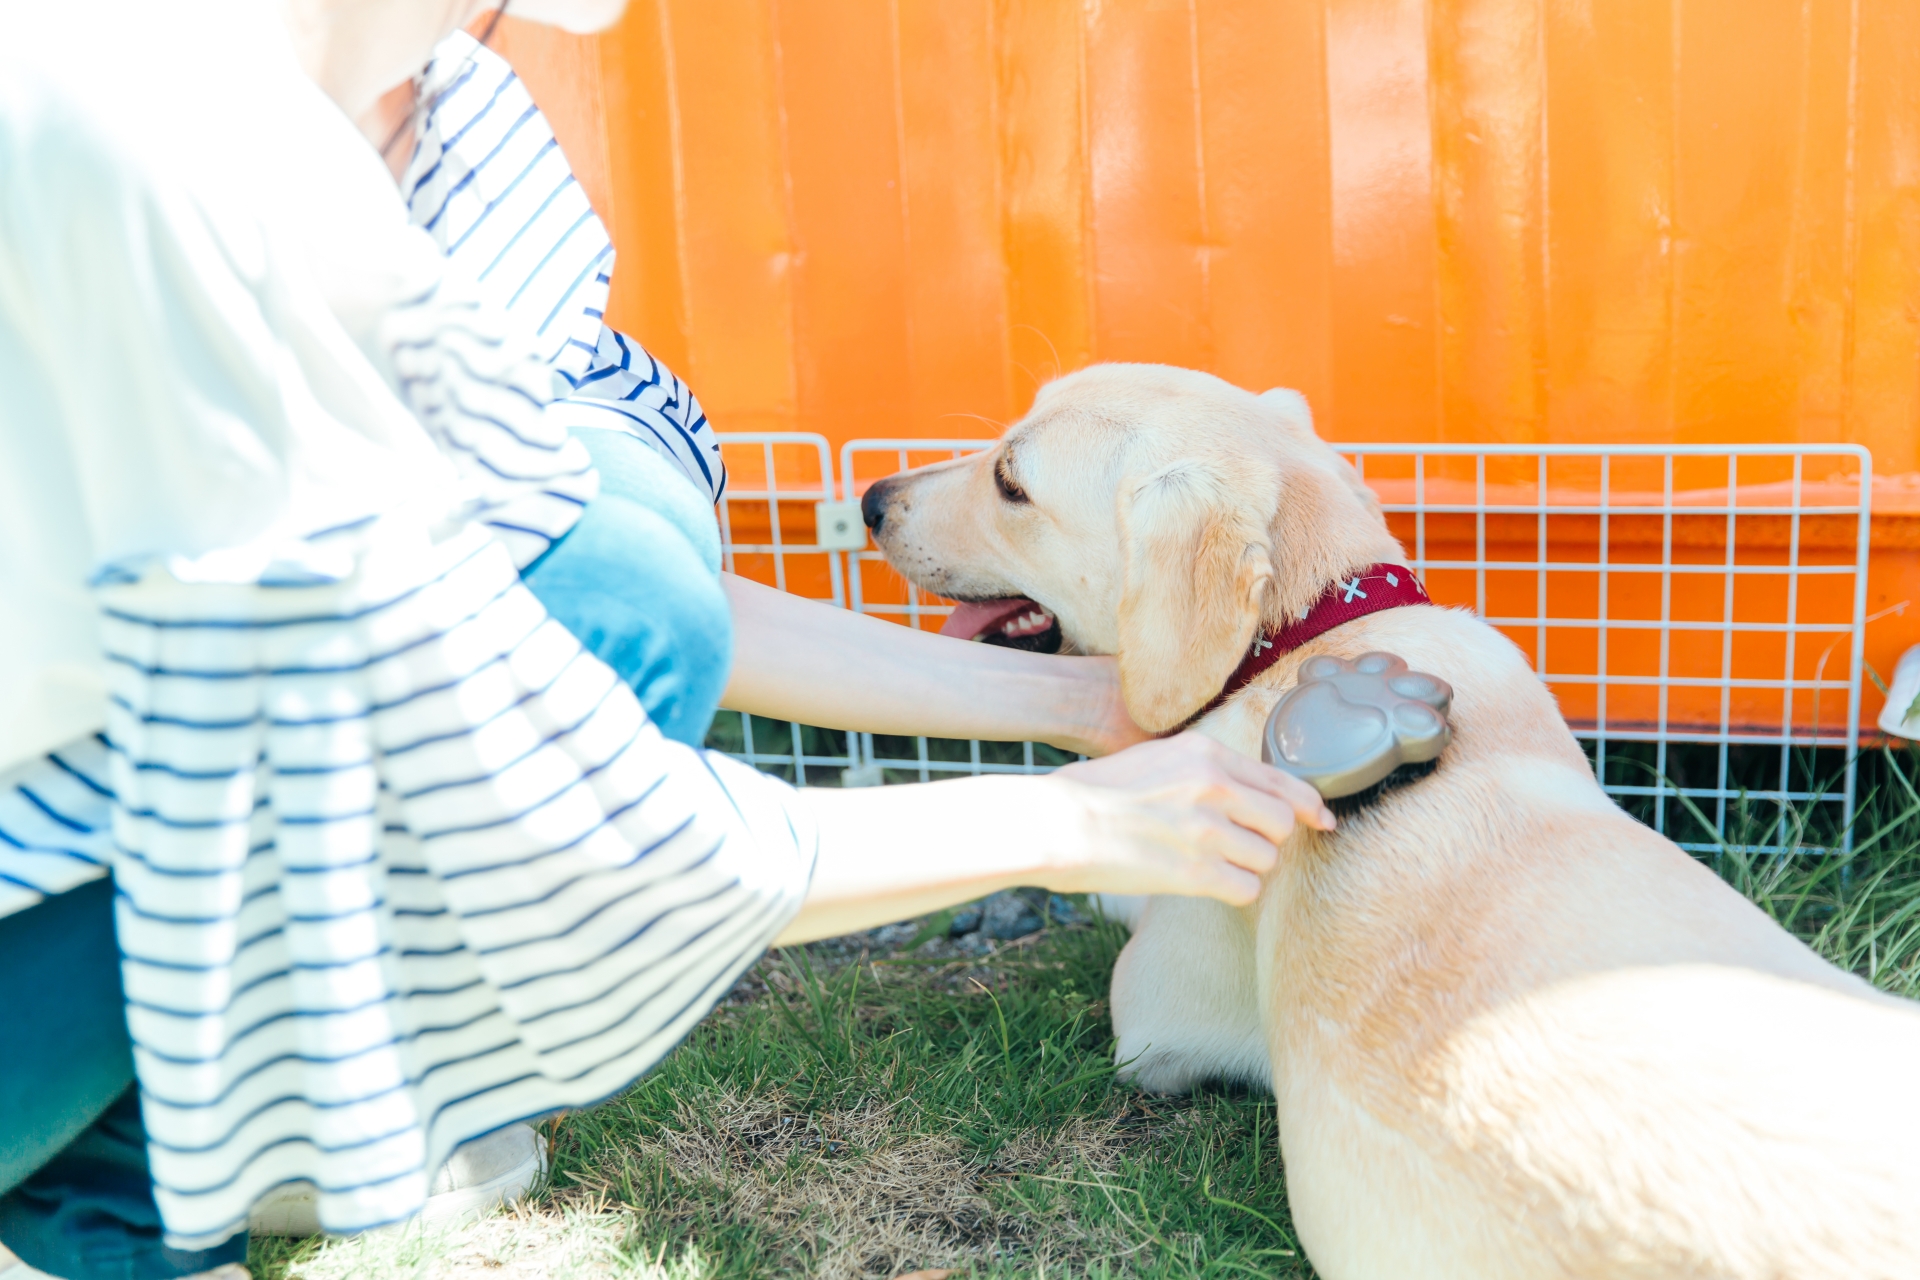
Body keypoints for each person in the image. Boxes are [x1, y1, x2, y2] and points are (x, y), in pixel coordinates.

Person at [0, 2, 1333, 1278]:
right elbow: (579, 806)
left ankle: (126, 1182)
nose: (452, 69)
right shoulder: (111, 159)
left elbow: (600, 608)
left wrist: (1095, 707)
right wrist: (1074, 824)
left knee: (619, 572)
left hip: (130, 772)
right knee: (605, 592)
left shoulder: (451, 122)